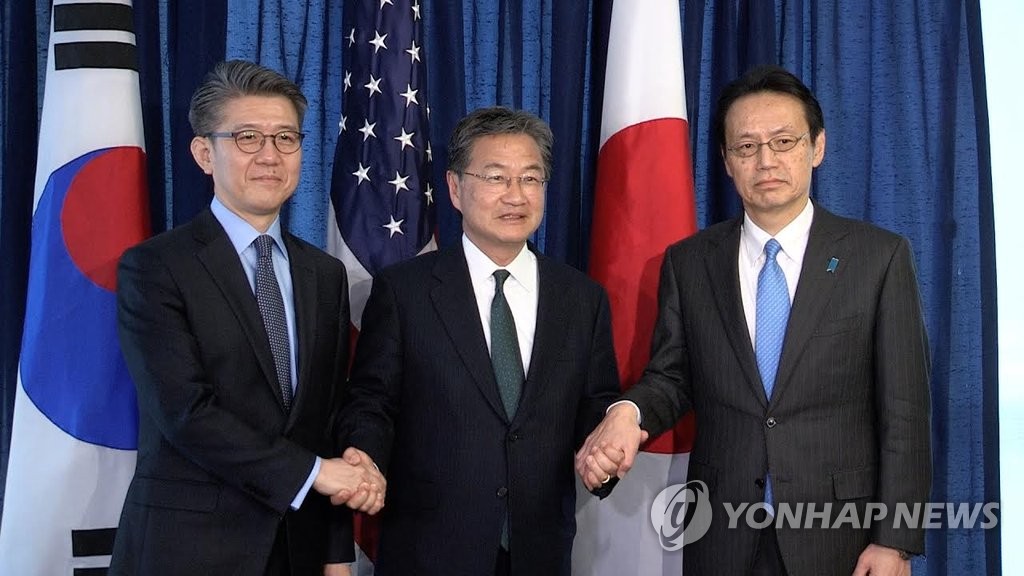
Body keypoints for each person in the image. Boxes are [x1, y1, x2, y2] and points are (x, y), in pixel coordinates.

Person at [576, 65, 932, 576]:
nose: (766, 160)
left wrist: (894, 542)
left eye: (784, 141)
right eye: (746, 147)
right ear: (726, 161)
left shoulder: (878, 257)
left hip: (842, 537)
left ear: (817, 147)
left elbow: (905, 412)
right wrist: (628, 413)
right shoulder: (690, 262)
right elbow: (672, 378)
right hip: (721, 533)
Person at [111, 60, 384, 576]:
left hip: (298, 551)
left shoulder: (323, 274)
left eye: (286, 138)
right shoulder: (155, 267)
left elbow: (324, 421)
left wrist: (335, 553)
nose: (269, 155)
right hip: (189, 552)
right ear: (203, 154)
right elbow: (185, 412)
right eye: (247, 137)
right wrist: (314, 473)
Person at [337, 106, 621, 575]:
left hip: (539, 553)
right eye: (495, 177)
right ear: (455, 188)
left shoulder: (581, 298)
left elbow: (597, 404)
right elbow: (372, 400)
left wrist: (604, 454)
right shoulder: (404, 291)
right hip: (429, 553)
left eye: (530, 178)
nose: (516, 195)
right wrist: (362, 454)